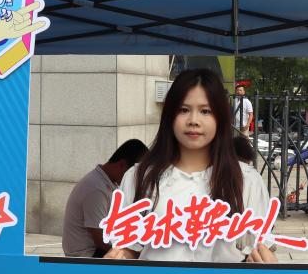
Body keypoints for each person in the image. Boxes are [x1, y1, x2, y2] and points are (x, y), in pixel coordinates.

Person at [104, 69, 277, 263]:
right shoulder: (140, 177)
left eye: (205, 111)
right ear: (169, 115)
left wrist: (264, 263)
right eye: (183, 110)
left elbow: (258, 250)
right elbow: (129, 249)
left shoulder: (246, 180)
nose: (193, 121)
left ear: (220, 117)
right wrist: (116, 259)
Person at [62, 139, 148, 258]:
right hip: (86, 255)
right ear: (122, 165)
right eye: (134, 174)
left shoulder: (105, 182)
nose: (135, 180)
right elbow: (101, 240)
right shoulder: (96, 189)